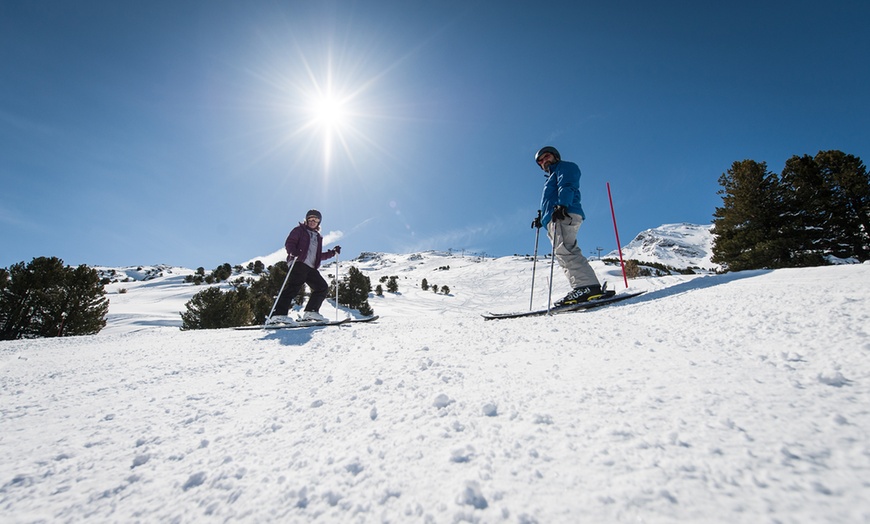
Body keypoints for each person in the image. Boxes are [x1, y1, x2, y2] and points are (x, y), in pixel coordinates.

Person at [532, 146, 605, 306]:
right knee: (563, 252)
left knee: (566, 250)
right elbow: (550, 200)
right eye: (541, 161)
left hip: (564, 214)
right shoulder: (550, 177)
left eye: (546, 157)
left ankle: (587, 286)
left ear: (555, 156)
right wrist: (542, 218)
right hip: (554, 218)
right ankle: (584, 287)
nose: (544, 161)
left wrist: (562, 204)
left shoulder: (565, 167)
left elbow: (568, 185)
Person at [267, 209, 341, 324]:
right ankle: (278, 315)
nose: (313, 221)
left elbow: (318, 255)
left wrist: (332, 253)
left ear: (319, 222)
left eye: (316, 220)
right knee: (293, 287)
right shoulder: (299, 230)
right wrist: (293, 251)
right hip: (299, 262)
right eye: (310, 219)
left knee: (322, 287)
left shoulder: (318, 237)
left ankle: (311, 312)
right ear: (306, 220)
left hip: (311, 267)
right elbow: (290, 242)